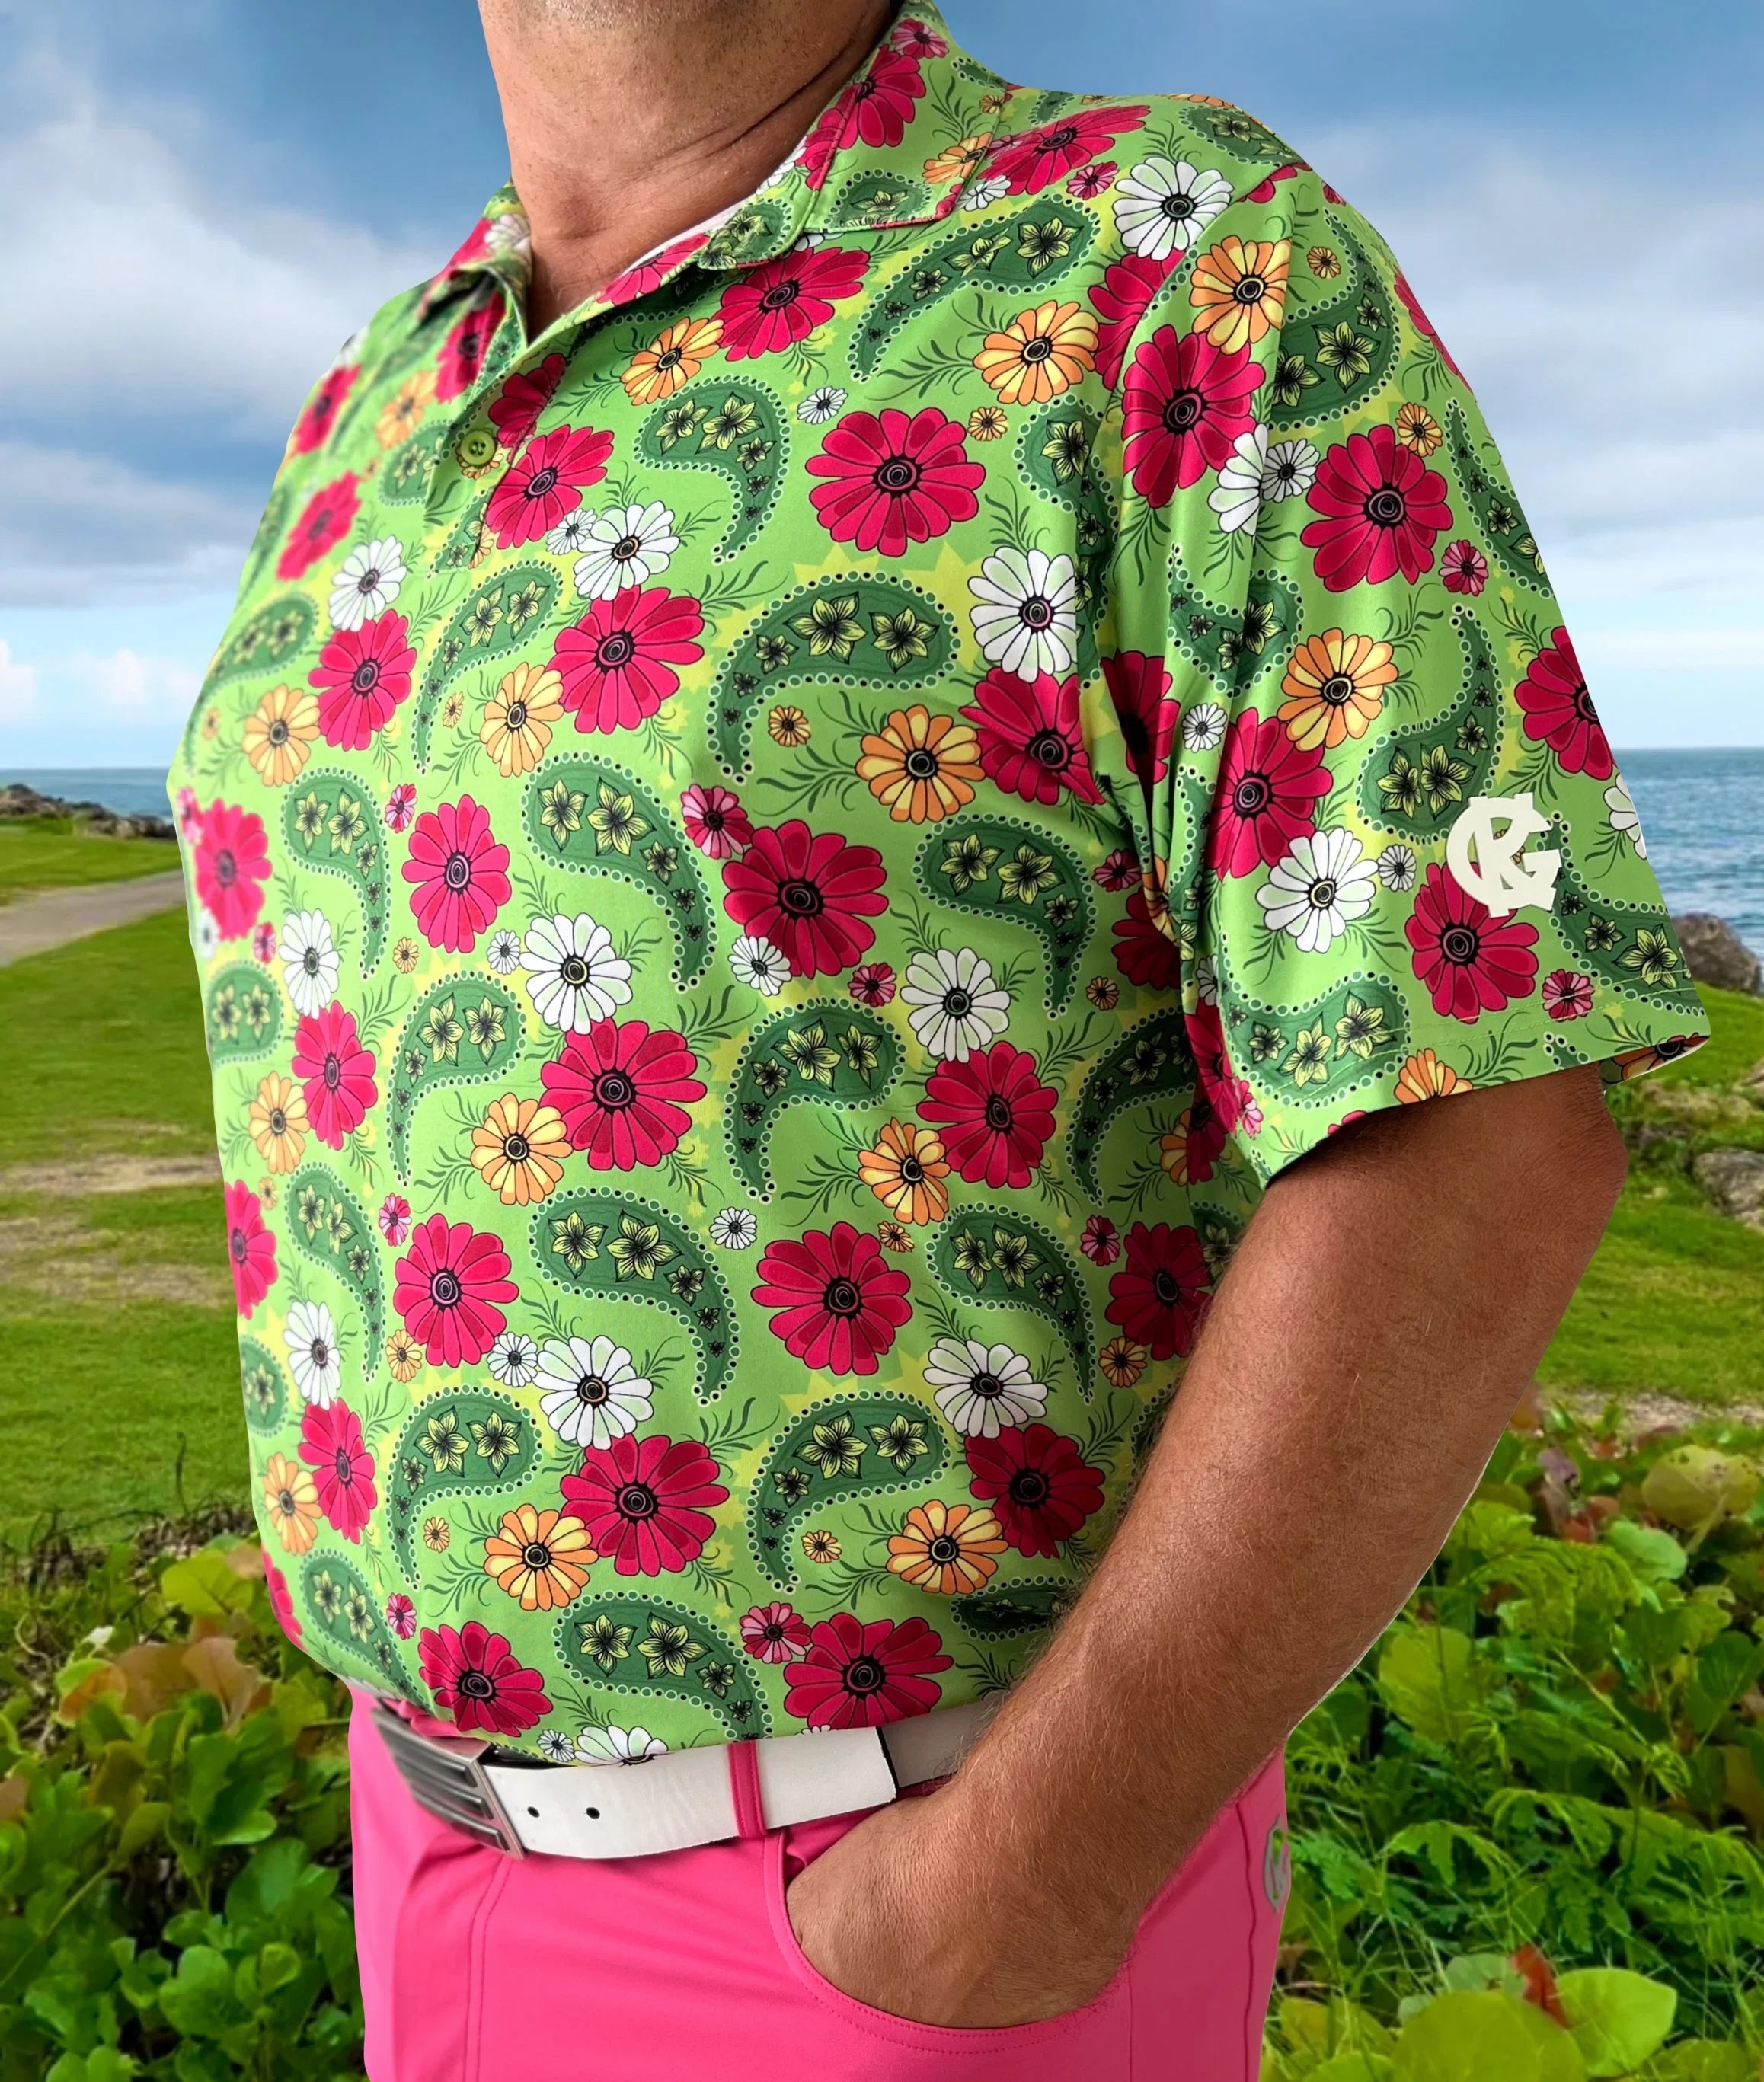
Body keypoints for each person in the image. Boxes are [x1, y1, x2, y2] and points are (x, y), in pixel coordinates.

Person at [166, 2, 1710, 2074]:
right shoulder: (378, 391)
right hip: (425, 1852)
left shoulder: (1163, 255)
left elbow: (1474, 1112)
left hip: (891, 1913)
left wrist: (1018, 1884)